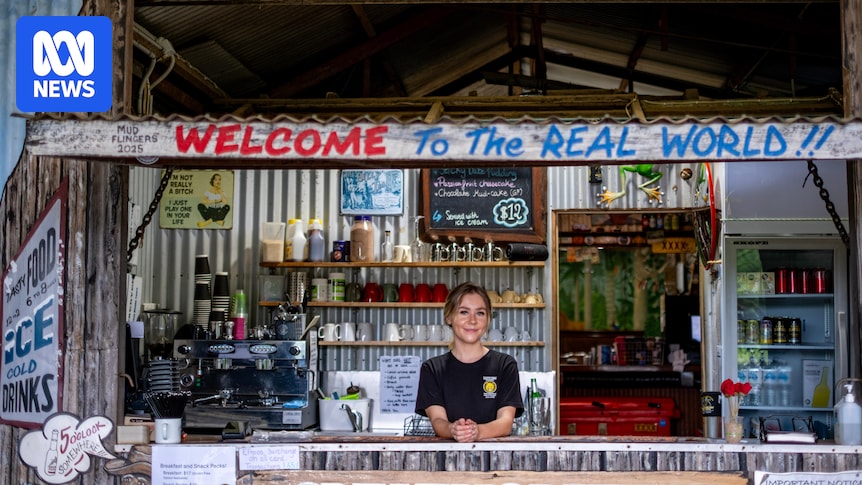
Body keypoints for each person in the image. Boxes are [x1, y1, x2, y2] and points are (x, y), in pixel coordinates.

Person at [415, 281, 523, 442]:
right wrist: (452, 429)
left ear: (487, 320)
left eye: (480, 313)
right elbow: (438, 421)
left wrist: (476, 431)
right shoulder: (432, 368)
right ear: (449, 317)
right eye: (464, 312)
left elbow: (505, 423)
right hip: (447, 462)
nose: (472, 320)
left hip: (495, 462)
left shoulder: (505, 365)